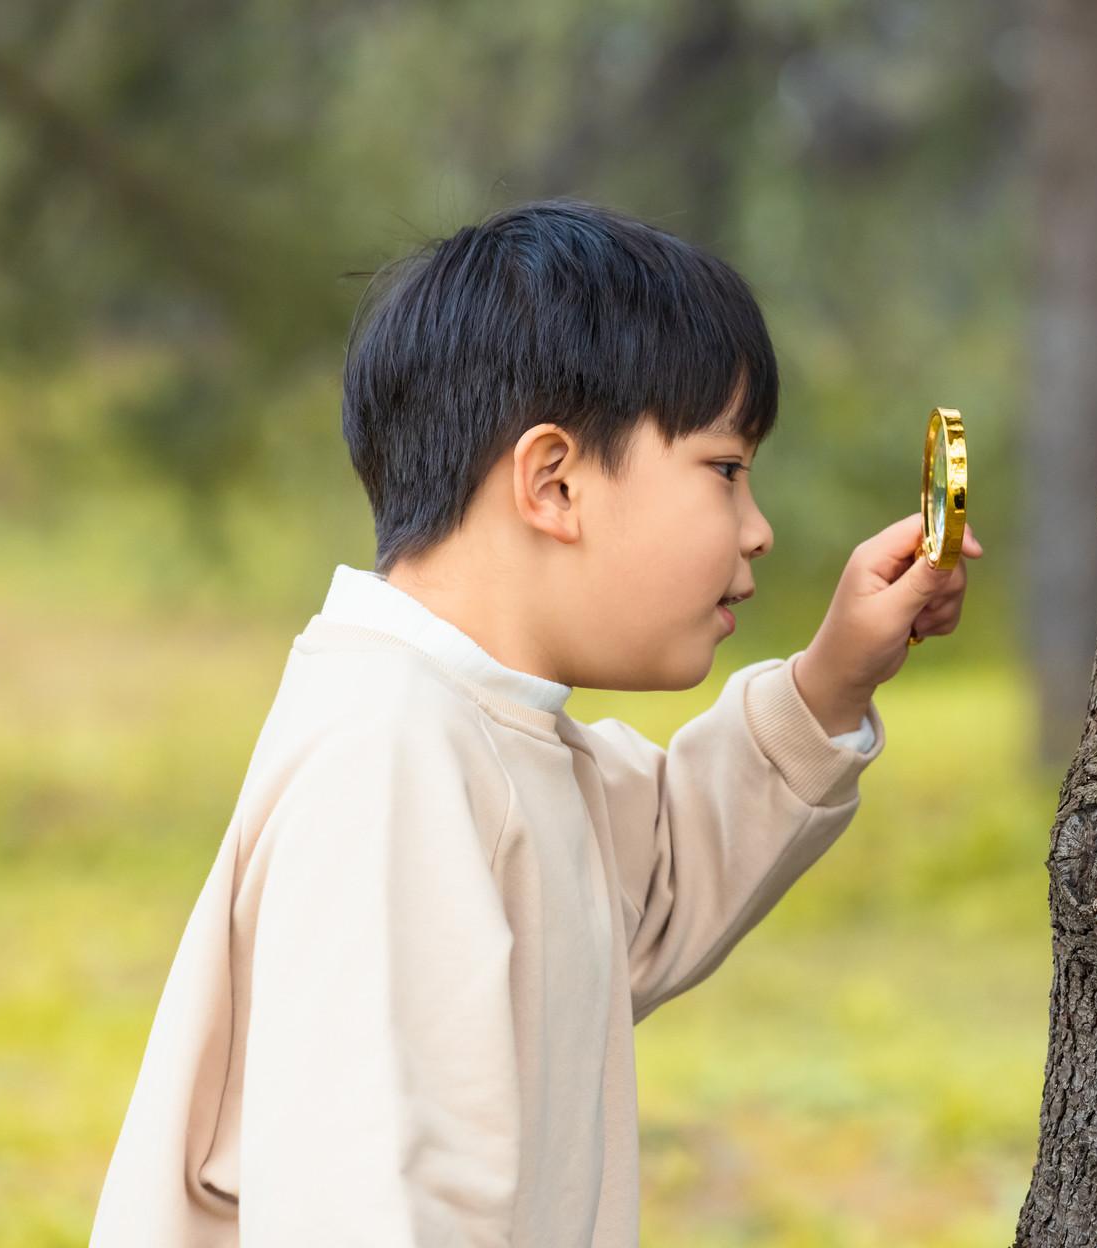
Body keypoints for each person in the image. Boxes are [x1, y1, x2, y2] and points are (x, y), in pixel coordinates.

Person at [88, 197, 982, 1246]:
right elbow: (371, 1206)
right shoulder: (390, 762)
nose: (758, 530)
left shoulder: (476, 731)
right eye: (726, 470)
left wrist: (831, 680)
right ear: (553, 482)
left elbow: (649, 884)